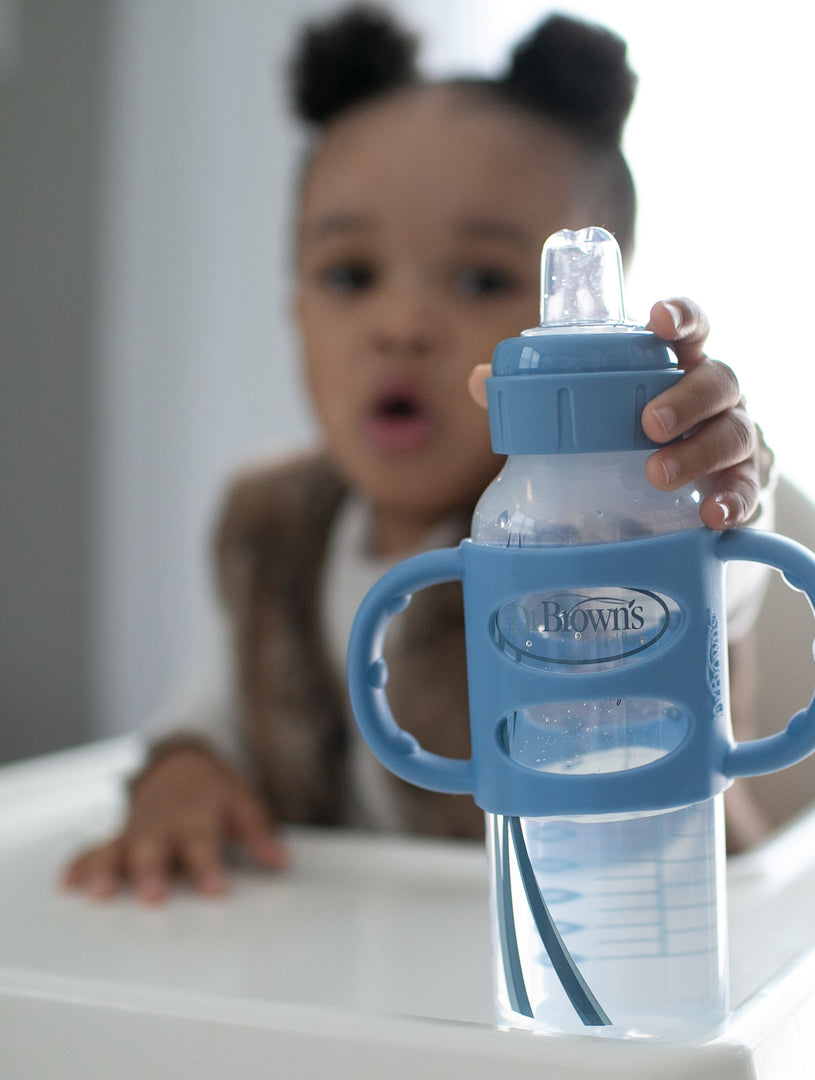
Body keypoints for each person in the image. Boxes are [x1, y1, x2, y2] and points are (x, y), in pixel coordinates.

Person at [61, 5, 774, 905]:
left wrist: (706, 486)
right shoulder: (277, 528)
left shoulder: (602, 520)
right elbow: (215, 706)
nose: (400, 326)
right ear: (296, 315)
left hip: (612, 956)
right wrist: (188, 768)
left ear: (583, 325)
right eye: (351, 276)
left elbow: (714, 586)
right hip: (363, 975)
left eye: (481, 279)